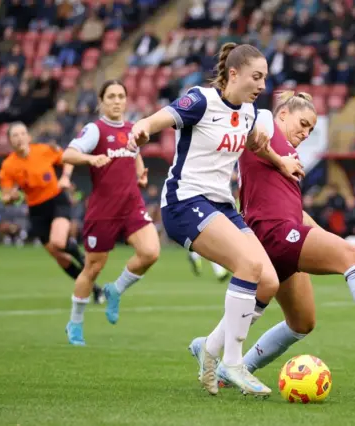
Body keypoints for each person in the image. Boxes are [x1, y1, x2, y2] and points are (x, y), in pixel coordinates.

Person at [199, 92, 355, 386]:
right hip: (272, 231)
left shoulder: (290, 156)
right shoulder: (265, 121)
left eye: (311, 128)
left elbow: (295, 211)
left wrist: (327, 240)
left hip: (275, 235)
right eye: (302, 123)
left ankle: (232, 369)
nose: (305, 132)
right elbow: (252, 134)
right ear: (282, 113)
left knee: (302, 323)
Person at [127, 43, 304, 396]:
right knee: (249, 264)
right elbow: (160, 117)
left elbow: (255, 143)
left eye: (265, 78)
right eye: (256, 76)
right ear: (233, 74)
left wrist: (281, 161)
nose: (262, 84)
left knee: (267, 281)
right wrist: (142, 128)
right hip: (184, 202)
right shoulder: (201, 101)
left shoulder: (250, 111)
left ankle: (209, 349)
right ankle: (234, 363)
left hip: (220, 205)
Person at [61, 80, 160, 346]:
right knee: (93, 267)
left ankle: (115, 290)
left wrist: (140, 172)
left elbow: (134, 152)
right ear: (101, 101)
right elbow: (68, 155)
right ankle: (75, 323)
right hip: (103, 210)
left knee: (150, 252)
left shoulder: (132, 129)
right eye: (111, 96)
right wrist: (91, 159)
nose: (117, 101)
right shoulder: (95, 130)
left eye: (121, 96)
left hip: (131, 205)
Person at [0, 122, 103, 302]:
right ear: (9, 141)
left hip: (56, 201)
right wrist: (12, 197)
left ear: (28, 137)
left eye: (23, 133)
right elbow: (6, 197)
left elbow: (69, 158)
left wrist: (65, 178)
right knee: (59, 257)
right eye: (15, 135)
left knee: (58, 241)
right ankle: (94, 289)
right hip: (36, 210)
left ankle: (80, 255)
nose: (20, 138)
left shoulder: (43, 150)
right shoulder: (8, 166)